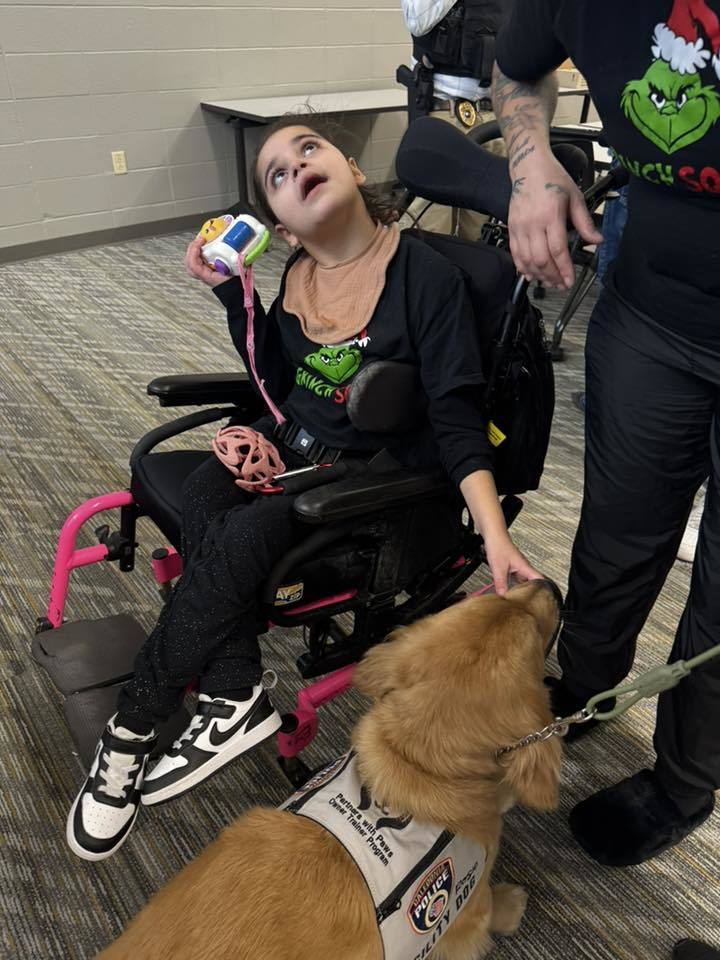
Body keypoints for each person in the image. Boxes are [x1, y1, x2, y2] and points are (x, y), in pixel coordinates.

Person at [66, 116, 542, 861]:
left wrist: (495, 535)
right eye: (276, 177)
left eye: (308, 151)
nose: (294, 169)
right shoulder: (298, 278)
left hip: (370, 482)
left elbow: (456, 422)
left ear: (353, 169)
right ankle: (233, 691)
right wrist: (243, 354)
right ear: (279, 227)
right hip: (292, 453)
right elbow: (283, 388)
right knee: (202, 493)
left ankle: (130, 732)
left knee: (244, 535)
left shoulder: (429, 281)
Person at [492, 0, 720, 867]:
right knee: (618, 532)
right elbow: (517, 67)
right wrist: (530, 164)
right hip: (653, 313)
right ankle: (583, 691)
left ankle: (683, 783)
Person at [400, 0, 509, 237]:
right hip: (442, 112)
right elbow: (418, 21)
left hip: (493, 114)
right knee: (429, 228)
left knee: (480, 232)